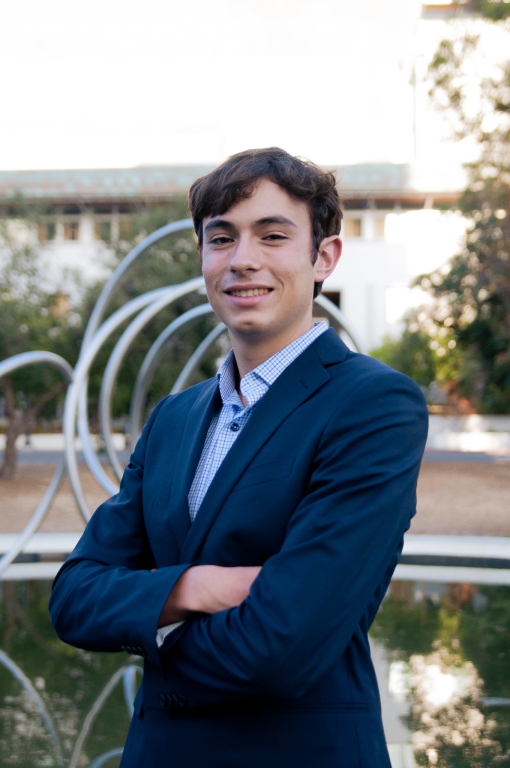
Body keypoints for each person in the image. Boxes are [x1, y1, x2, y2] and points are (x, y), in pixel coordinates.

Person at [50, 147, 428, 768]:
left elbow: (286, 644)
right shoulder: (173, 418)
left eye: (273, 235)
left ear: (323, 257)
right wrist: (194, 585)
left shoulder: (375, 404)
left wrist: (149, 618)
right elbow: (73, 597)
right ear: (202, 257)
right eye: (220, 238)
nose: (242, 259)